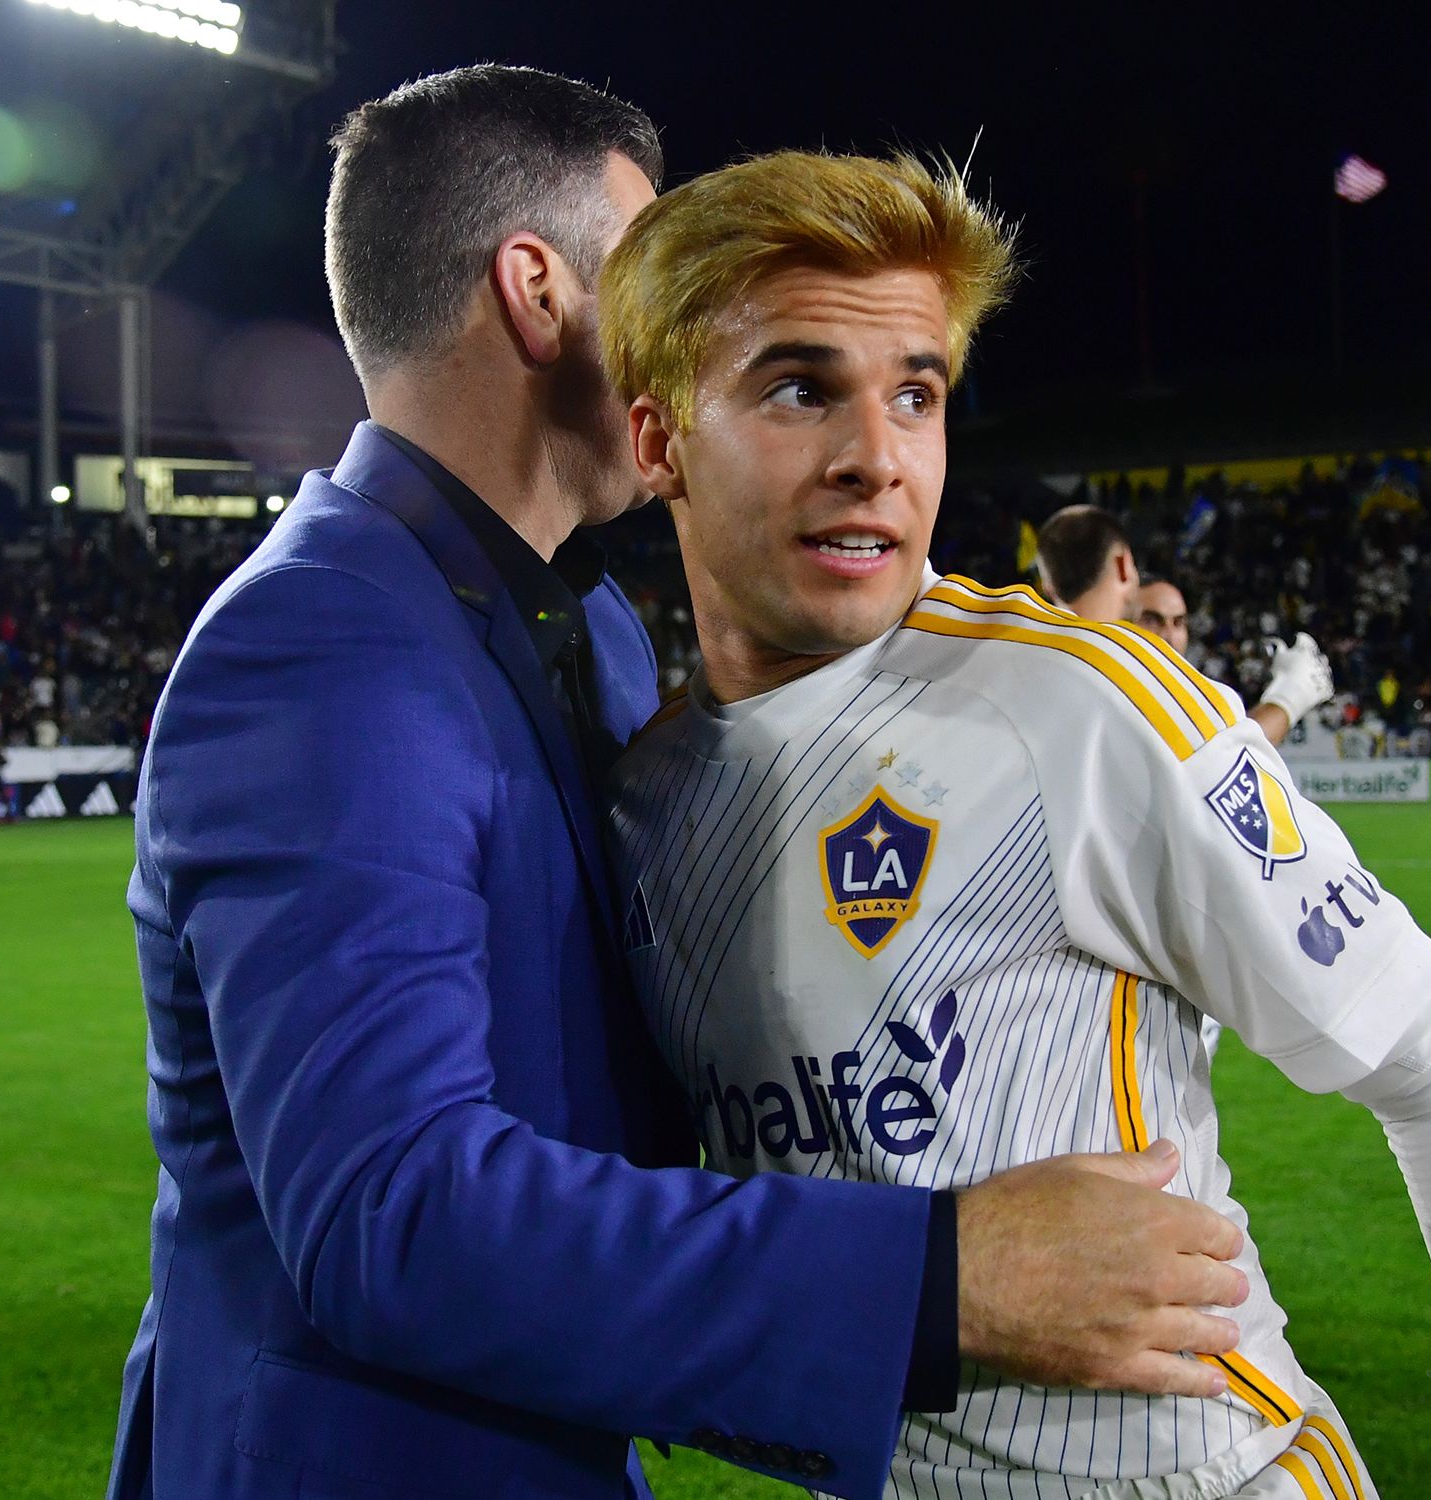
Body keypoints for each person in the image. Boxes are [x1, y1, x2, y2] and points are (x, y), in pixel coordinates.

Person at [110, 68, 1255, 1500]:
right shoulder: (321, 645)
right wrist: (941, 1283)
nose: (694, 328)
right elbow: (393, 1213)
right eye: (653, 276)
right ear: (537, 293)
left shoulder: (575, 622)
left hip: (549, 1433)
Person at [601, 149, 1431, 1500]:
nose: (876, 460)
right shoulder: (641, 800)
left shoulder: (1080, 704)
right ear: (657, 435)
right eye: (800, 390)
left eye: (917, 394)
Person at [1036, 505, 1329, 746]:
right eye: (1151, 620)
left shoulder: (1035, 666)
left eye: (1179, 623)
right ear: (1124, 566)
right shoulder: (1119, 680)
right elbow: (1227, 763)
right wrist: (1292, 694)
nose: (1169, 635)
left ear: (1049, 586)